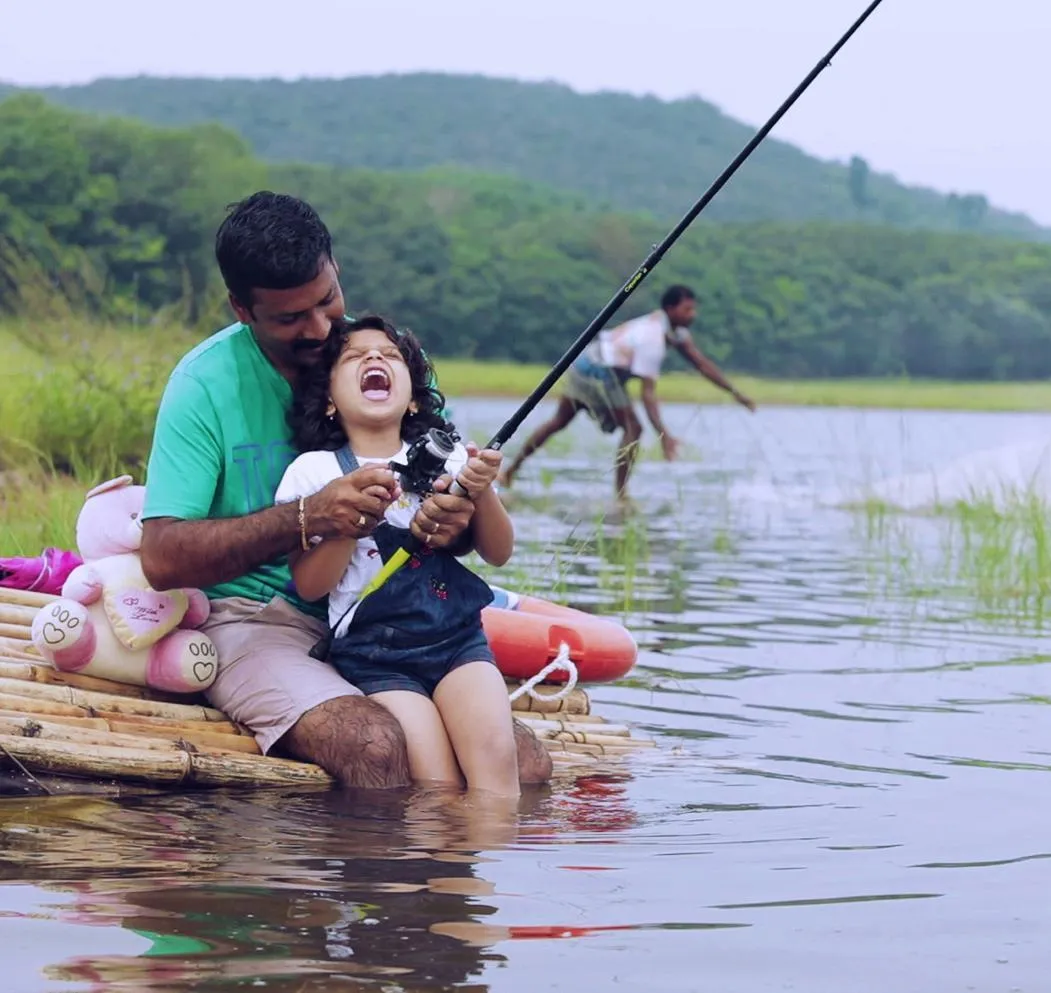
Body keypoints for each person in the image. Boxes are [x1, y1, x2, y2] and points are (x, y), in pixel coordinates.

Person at [137, 190, 552, 789]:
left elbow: (463, 536)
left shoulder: (388, 359)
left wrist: (453, 518)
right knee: (377, 747)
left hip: (392, 618)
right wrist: (310, 517)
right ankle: (379, 880)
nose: (322, 328)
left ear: (335, 271)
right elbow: (161, 557)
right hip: (259, 621)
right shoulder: (203, 384)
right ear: (241, 309)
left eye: (328, 300)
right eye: (290, 318)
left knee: (527, 765)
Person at [276, 314, 523, 796]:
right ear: (328, 400)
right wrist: (353, 519)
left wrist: (481, 488)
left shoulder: (448, 459)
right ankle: (426, 863)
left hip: (457, 641)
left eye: (390, 355)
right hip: (377, 657)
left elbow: (499, 553)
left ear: (412, 398)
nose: (374, 358)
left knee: (496, 760)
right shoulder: (313, 472)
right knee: (435, 783)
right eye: (354, 356)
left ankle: (470, 871)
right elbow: (310, 585)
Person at [499, 284, 756, 503]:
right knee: (633, 428)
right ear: (670, 309)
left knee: (559, 422)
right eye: (687, 309)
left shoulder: (673, 330)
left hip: (584, 363)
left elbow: (701, 363)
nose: (693, 314)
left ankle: (510, 472)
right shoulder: (652, 339)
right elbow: (648, 396)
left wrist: (735, 393)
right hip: (597, 373)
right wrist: (664, 436)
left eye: (693, 308)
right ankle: (620, 496)